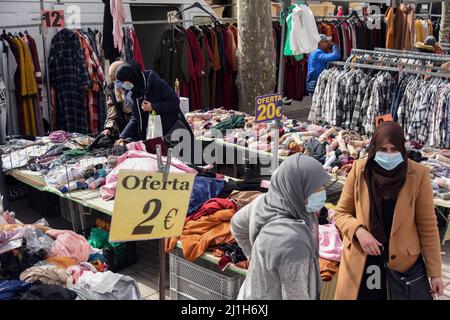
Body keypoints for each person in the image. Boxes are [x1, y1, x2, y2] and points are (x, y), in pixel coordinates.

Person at [334, 121, 444, 300]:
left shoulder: (418, 174)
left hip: (403, 267)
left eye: (394, 149)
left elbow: (428, 227)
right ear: (374, 147)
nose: (389, 154)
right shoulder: (361, 170)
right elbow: (341, 213)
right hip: (364, 261)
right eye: (383, 149)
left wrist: (436, 273)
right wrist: (358, 231)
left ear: (402, 148)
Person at [230, 155, 331, 300]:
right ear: (297, 187)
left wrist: (253, 255)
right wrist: (254, 255)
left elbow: (237, 225)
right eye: (316, 187)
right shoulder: (292, 240)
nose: (323, 192)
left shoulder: (266, 202)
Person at [114, 62, 192, 146]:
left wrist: (152, 106)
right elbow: (136, 118)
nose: (123, 85)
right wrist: (123, 136)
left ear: (131, 77)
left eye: (124, 82)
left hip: (173, 134)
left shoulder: (155, 82)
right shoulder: (133, 92)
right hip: (154, 138)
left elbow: (174, 102)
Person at [102, 61, 132, 138]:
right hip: (126, 133)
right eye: (113, 80)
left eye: (117, 80)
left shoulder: (134, 87)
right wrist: (108, 128)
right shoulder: (112, 92)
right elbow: (112, 114)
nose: (116, 83)